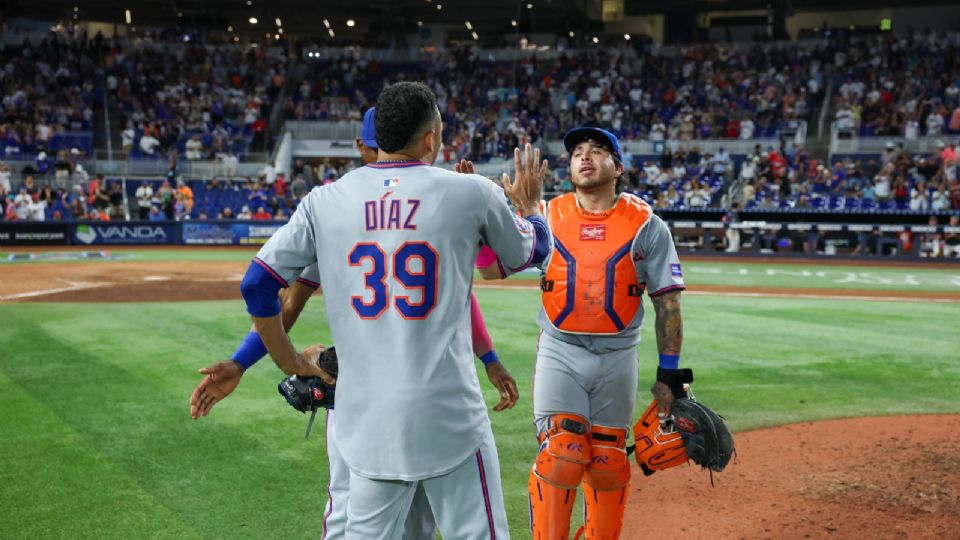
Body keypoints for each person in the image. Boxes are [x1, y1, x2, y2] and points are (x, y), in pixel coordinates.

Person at [226, 86, 550, 537]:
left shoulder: (324, 201)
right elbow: (533, 250)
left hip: (365, 425)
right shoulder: (471, 192)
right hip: (449, 417)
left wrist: (289, 361)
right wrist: (532, 209)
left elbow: (256, 284)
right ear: (431, 138)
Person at [480, 127, 686, 539]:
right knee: (562, 453)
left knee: (609, 463)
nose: (585, 156)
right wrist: (483, 223)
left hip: (619, 356)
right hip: (561, 351)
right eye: (577, 152)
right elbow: (490, 270)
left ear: (618, 167)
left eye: (597, 150)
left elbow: (668, 303)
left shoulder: (647, 225)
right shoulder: (545, 217)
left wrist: (669, 375)